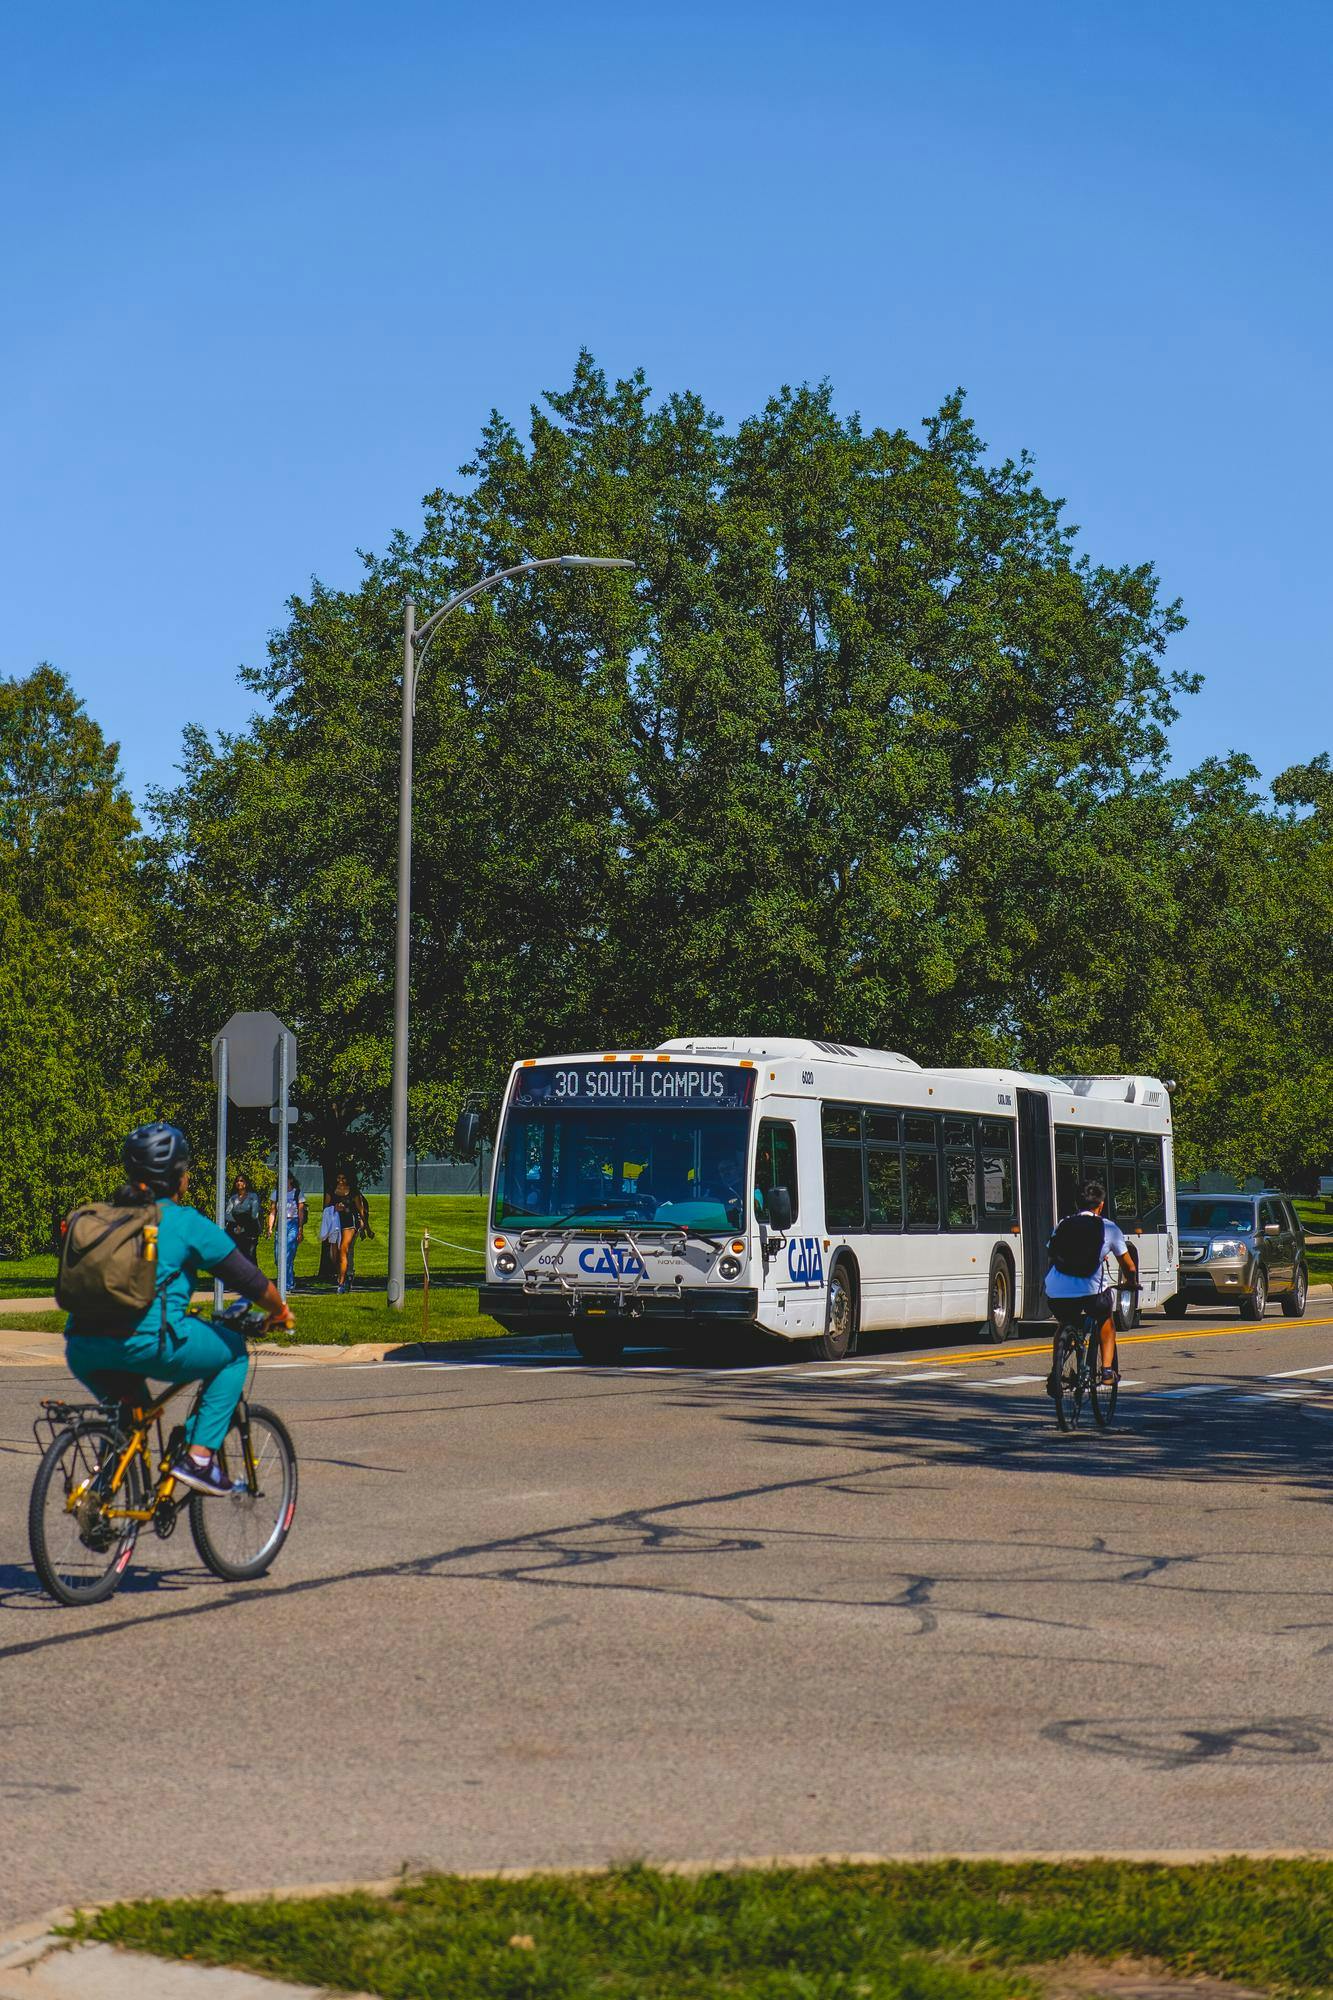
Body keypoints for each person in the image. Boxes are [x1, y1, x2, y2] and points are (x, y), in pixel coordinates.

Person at [64, 1122, 294, 1497]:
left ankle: (103, 1496)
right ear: (176, 1176)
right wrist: (279, 1311)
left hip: (82, 1346)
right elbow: (248, 1280)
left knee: (131, 1410)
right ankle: (199, 1458)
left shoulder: (102, 1216)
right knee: (233, 1354)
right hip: (147, 1342)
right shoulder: (184, 1222)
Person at [1045, 1178, 1139, 1388]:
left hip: (1057, 1292)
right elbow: (1129, 1266)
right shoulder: (1109, 1228)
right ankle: (1107, 1371)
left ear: (1077, 1204)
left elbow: (1051, 1253)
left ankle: (1056, 1372)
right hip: (1091, 1293)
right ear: (1101, 1205)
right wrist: (1131, 1283)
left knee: (1064, 1324)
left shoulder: (1063, 1224)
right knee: (1106, 1320)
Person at [267, 1172, 306, 1291]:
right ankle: (288, 1276)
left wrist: (300, 1228)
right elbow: (273, 1212)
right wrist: (270, 1227)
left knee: (288, 1256)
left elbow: (301, 1212)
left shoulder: (297, 1193)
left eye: (286, 1179)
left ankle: (288, 1284)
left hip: (293, 1223)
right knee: (278, 1256)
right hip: (280, 1224)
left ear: (291, 1180)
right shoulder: (276, 1193)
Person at [223, 1173, 262, 1263]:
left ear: (246, 1183)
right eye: (237, 1181)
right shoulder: (233, 1198)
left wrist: (244, 1224)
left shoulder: (253, 1197)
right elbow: (228, 1213)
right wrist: (237, 1224)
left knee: (250, 1254)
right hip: (235, 1228)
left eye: (241, 1181)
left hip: (250, 1228)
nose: (239, 1183)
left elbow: (254, 1214)